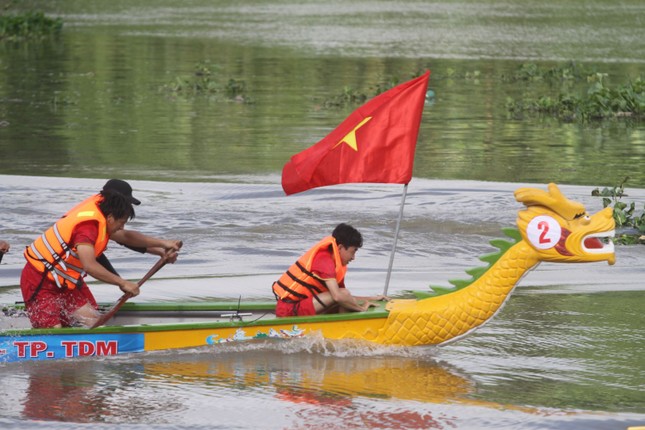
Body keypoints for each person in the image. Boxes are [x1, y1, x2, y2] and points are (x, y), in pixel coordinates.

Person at [20, 179, 182, 328]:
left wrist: (162, 248)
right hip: (40, 279)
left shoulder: (104, 215)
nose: (122, 228)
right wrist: (123, 283)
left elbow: (125, 237)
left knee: (94, 322)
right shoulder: (88, 227)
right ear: (111, 217)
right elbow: (90, 266)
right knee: (54, 330)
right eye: (121, 223)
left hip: (66, 281)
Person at [272, 223, 387, 317]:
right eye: (353, 251)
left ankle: (342, 332)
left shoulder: (335, 263)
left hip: (302, 306)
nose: (353, 257)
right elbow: (338, 296)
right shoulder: (324, 260)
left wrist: (374, 298)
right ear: (340, 247)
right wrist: (362, 309)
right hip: (288, 310)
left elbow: (346, 298)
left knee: (344, 301)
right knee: (342, 296)